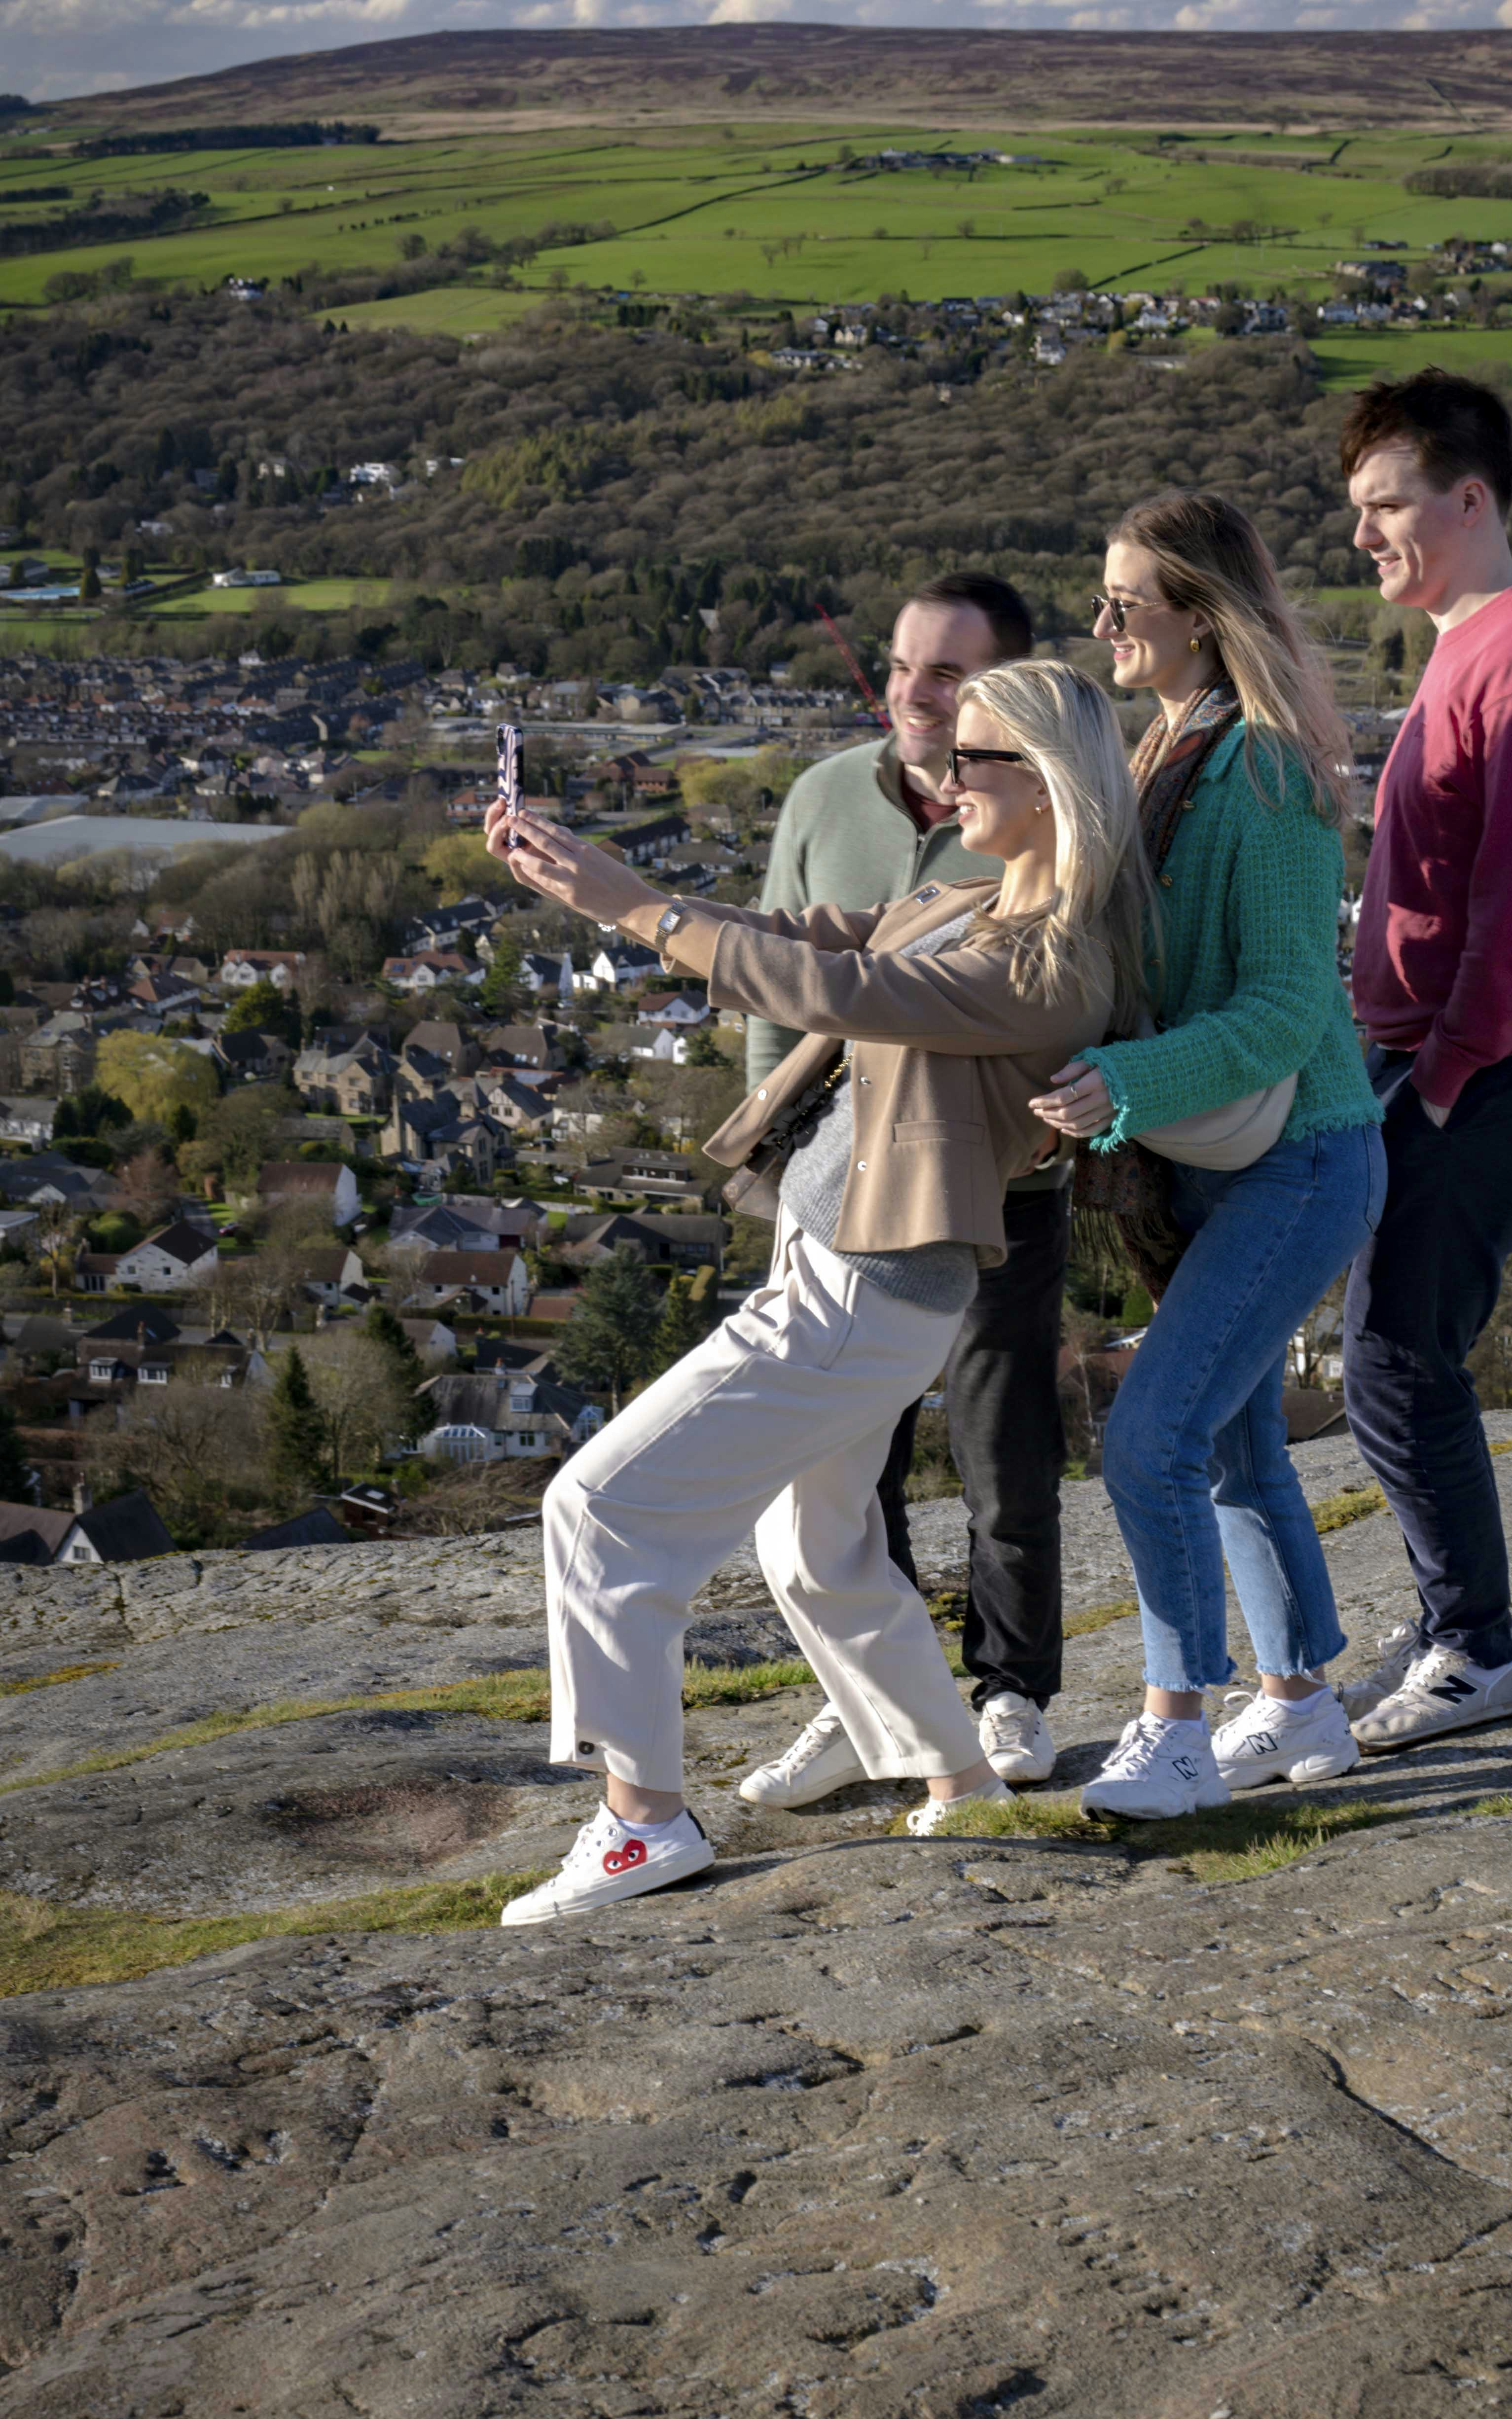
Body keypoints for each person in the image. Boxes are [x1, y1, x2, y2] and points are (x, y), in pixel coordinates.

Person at [486, 659, 1146, 1925]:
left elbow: (843, 994)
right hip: (837, 1269)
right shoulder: (961, 894)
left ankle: (641, 1825)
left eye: (977, 759)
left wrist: (635, 909)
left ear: (1052, 781)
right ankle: (957, 1778)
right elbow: (810, 942)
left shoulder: (1053, 967)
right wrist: (604, 881)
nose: (946, 778)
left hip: (866, 1291)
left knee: (602, 1508)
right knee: (819, 1547)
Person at [1032, 494, 1385, 1820]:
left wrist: (1122, 1080)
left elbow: (1291, 1009)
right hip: (1220, 1162)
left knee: (1151, 1437)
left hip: (1298, 1158)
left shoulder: (1266, 774)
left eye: (1125, 601)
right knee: (1233, 1443)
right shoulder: (1164, 749)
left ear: (1198, 613)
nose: (1102, 621)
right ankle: (1298, 1709)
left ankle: (1175, 1725)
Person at [739, 571, 1078, 1805]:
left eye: (944, 673)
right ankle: (866, 1704)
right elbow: (779, 970)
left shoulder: (1041, 814)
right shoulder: (826, 795)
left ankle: (1012, 1693)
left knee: (1004, 1443)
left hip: (999, 1184)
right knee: (839, 1462)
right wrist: (773, 1157)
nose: (911, 694)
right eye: (899, 666)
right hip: (843, 1188)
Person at [1335, 369, 1512, 1750]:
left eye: (1385, 503)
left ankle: (1474, 1646)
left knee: (1393, 1357)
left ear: (1469, 498)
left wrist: (1441, 1075)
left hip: (1500, 1067)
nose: (1363, 533)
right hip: (1463, 1059)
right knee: (1398, 1349)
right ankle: (1456, 1620)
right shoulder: (1467, 645)